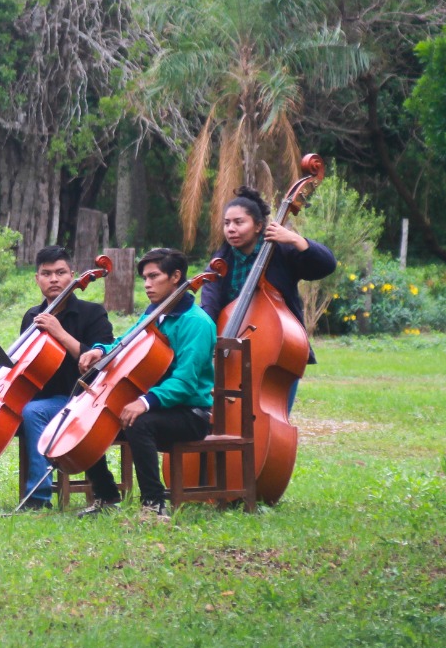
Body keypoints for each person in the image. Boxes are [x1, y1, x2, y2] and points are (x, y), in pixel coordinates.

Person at [0, 246, 115, 510]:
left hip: (75, 398)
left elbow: (101, 363)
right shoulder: (32, 316)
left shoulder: (92, 313)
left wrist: (60, 333)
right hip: (33, 396)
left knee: (34, 412)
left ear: (72, 275)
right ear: (37, 279)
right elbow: (21, 364)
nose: (54, 279)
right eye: (46, 274)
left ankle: (38, 498)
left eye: (60, 272)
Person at [73, 248, 217, 517]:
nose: (147, 284)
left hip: (190, 414)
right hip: (156, 406)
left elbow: (185, 382)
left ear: (176, 276)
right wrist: (100, 351)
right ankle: (106, 497)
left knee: (138, 422)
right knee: (90, 420)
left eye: (154, 277)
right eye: (145, 278)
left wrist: (145, 402)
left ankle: (153, 503)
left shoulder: (197, 323)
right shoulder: (154, 313)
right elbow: (124, 343)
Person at [198, 185, 337, 411]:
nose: (231, 229)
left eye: (239, 222)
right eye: (227, 223)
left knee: (272, 412)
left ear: (258, 226)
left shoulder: (280, 250)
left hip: (276, 349)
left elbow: (326, 265)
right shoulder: (221, 261)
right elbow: (209, 305)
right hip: (234, 347)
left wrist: (296, 240)